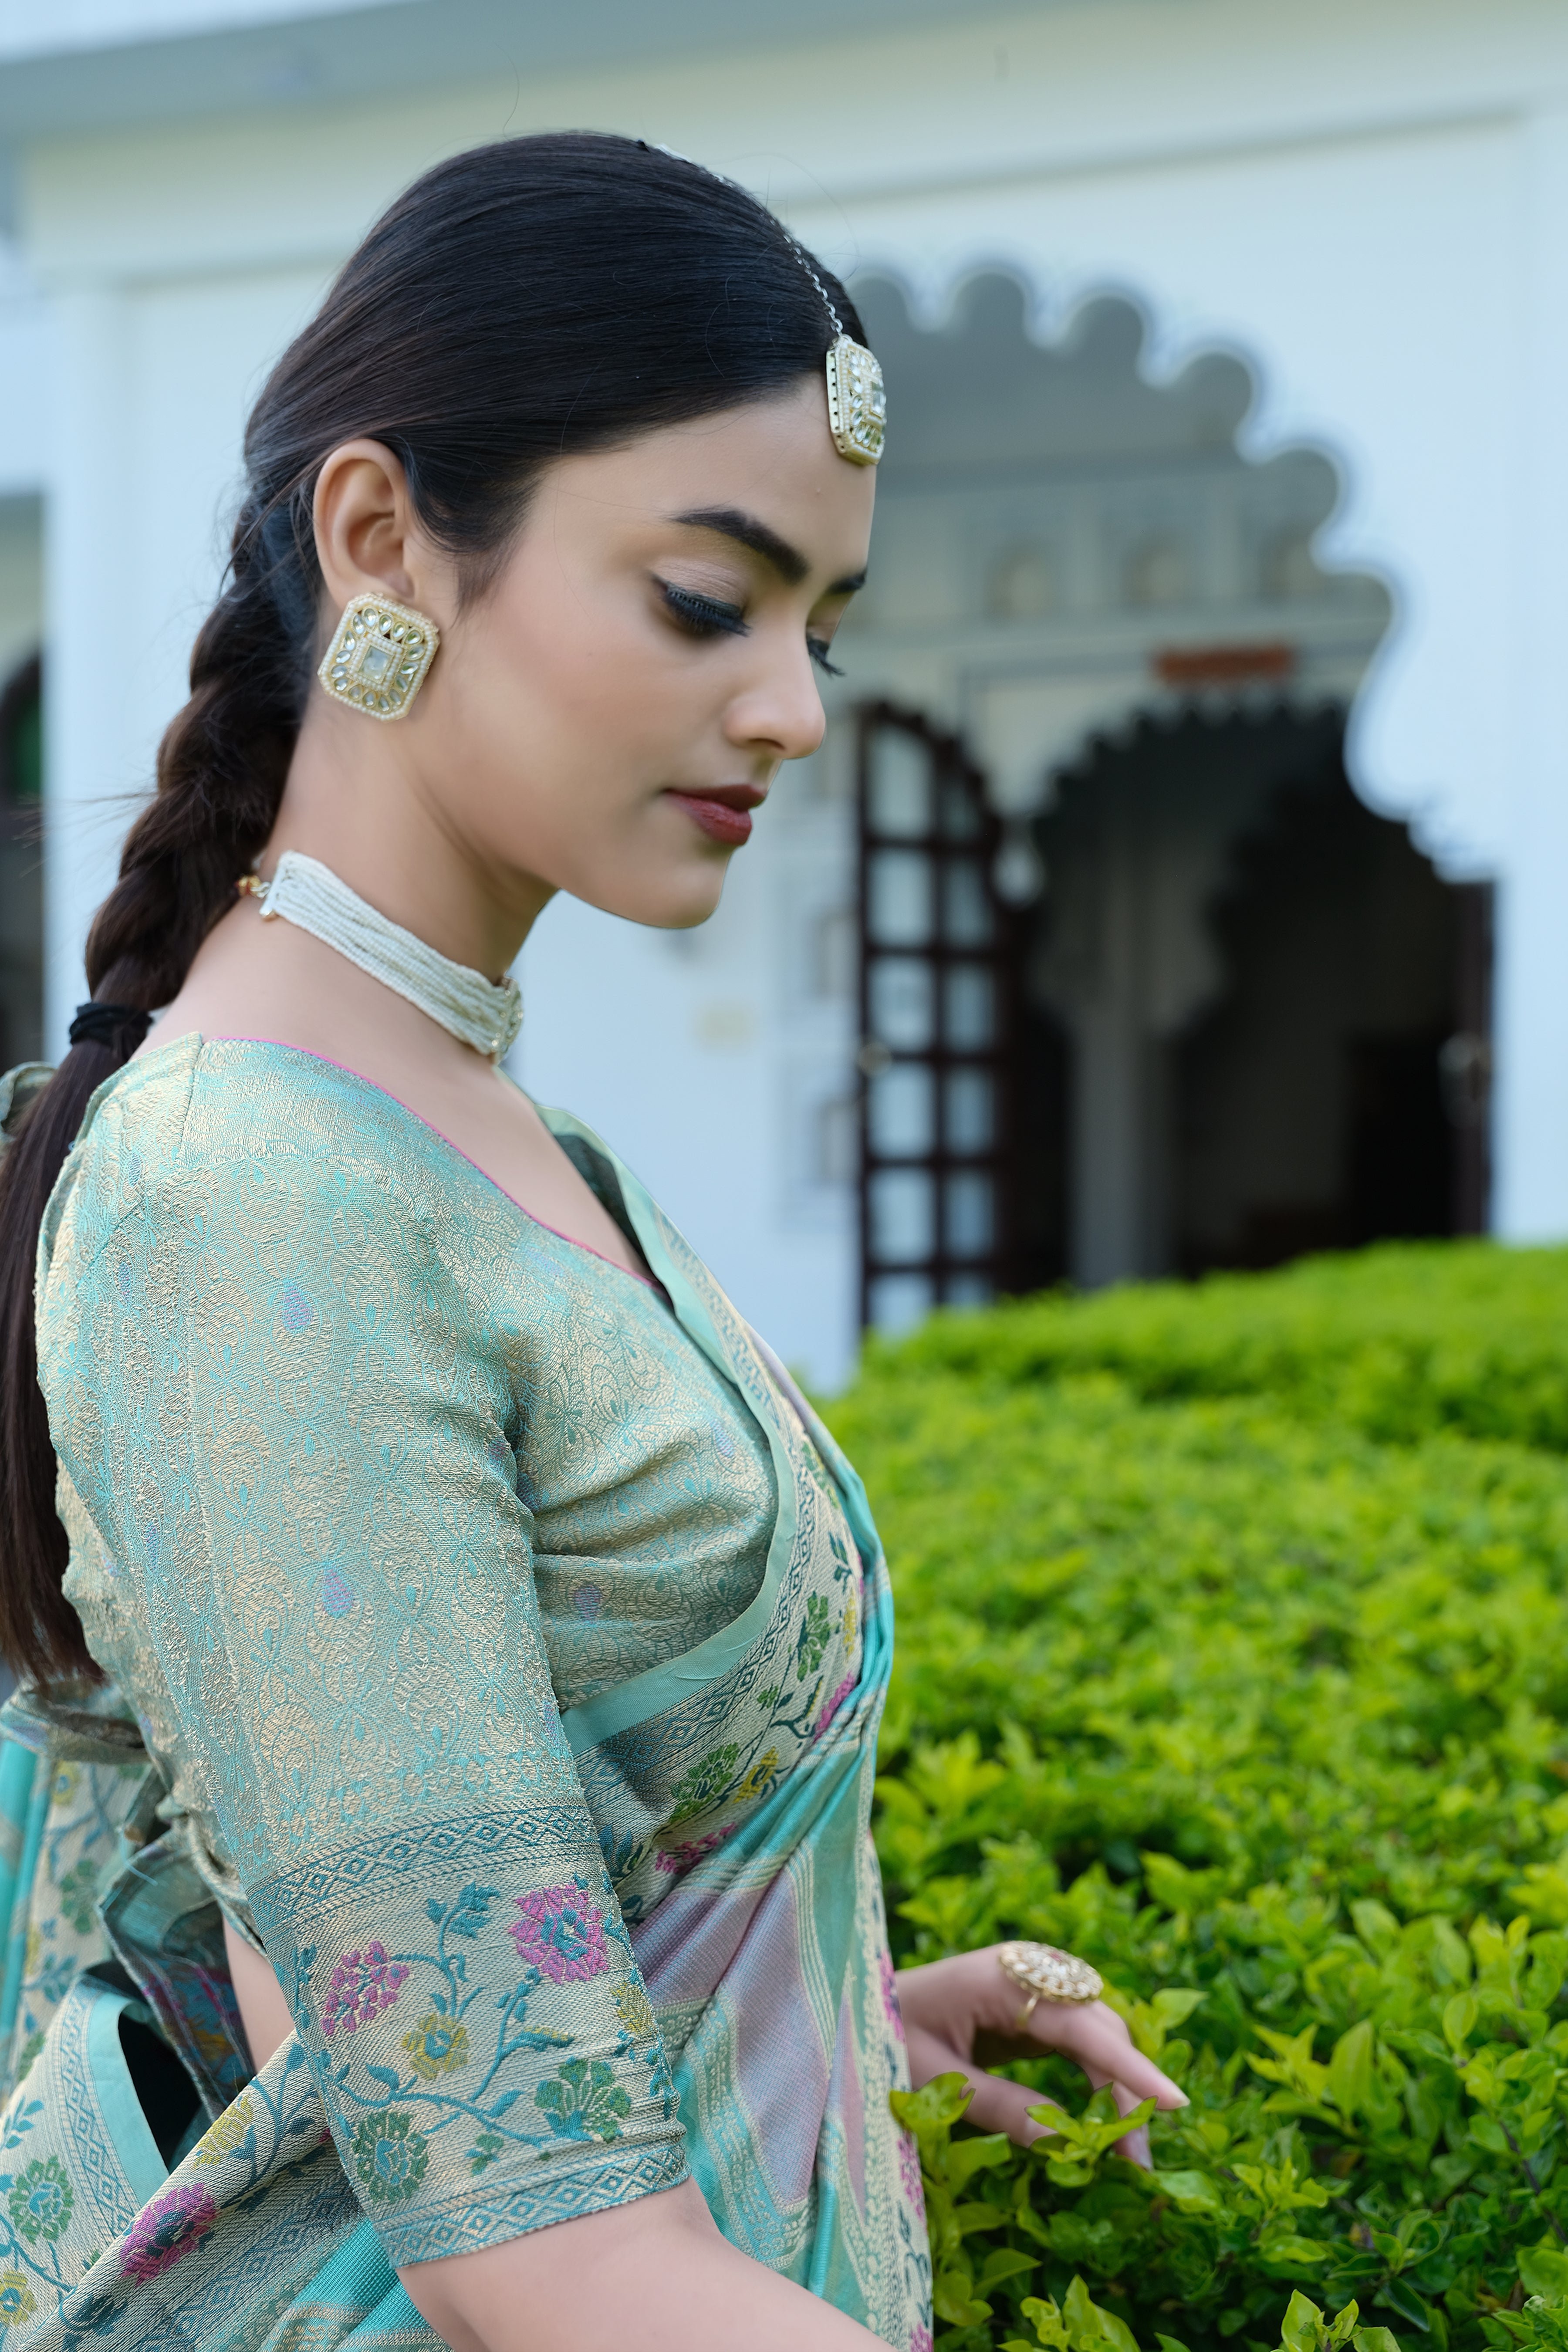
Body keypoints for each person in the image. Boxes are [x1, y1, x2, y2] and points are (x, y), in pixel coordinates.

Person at [0, 134, 1183, 2352]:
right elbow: (536, 2251)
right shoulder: (251, 1211)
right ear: (383, 540)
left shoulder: (496, 1137)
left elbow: (486, 1927)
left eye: (819, 629)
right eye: (706, 600)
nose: (793, 709)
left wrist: (810, 1999)